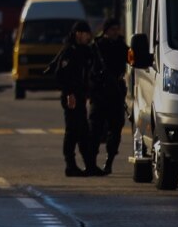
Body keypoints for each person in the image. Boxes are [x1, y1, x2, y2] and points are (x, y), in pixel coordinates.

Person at [46, 21, 106, 177]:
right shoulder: (69, 52)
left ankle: (90, 165)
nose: (88, 36)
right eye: (86, 33)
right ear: (78, 33)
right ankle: (70, 166)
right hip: (70, 97)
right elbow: (61, 75)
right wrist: (69, 94)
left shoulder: (85, 51)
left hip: (80, 96)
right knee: (72, 132)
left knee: (84, 132)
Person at [90, 18, 129, 174]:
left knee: (116, 127)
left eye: (117, 29)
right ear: (106, 31)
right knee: (95, 129)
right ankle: (91, 163)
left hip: (116, 93)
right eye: (112, 29)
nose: (115, 32)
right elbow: (89, 70)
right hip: (99, 92)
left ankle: (109, 161)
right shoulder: (96, 47)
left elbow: (134, 59)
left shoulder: (122, 46)